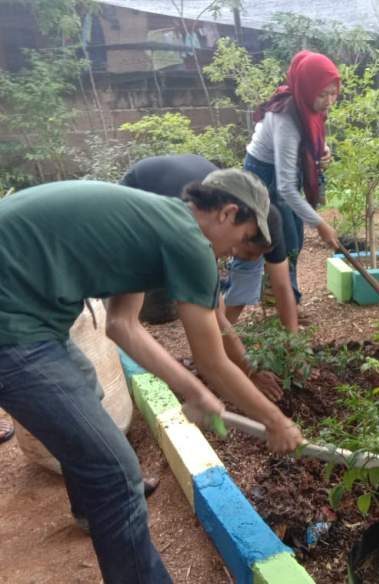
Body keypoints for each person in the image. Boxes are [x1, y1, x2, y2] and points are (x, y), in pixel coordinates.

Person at [0, 170, 304, 583]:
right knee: (117, 474)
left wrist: (193, 391)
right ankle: (108, 498)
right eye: (242, 239)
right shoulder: (190, 241)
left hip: (27, 310)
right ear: (228, 213)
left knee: (85, 387)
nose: (235, 253)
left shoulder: (156, 224)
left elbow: (122, 326)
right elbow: (214, 362)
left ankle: (91, 507)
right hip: (13, 326)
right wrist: (277, 422)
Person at [121, 154, 299, 335]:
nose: (231, 254)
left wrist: (293, 340)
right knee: (155, 309)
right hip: (142, 184)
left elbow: (283, 287)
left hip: (190, 172)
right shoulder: (197, 223)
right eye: (237, 252)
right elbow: (206, 299)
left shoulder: (268, 228)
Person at [228, 50, 341, 319]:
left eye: (333, 92)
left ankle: (283, 299)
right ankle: (282, 301)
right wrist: (321, 224)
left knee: (294, 239)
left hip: (283, 173)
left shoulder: (308, 106)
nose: (329, 101)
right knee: (279, 240)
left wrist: (323, 151)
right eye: (322, 94)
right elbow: (287, 188)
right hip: (262, 177)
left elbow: (313, 135)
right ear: (306, 88)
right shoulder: (286, 118)